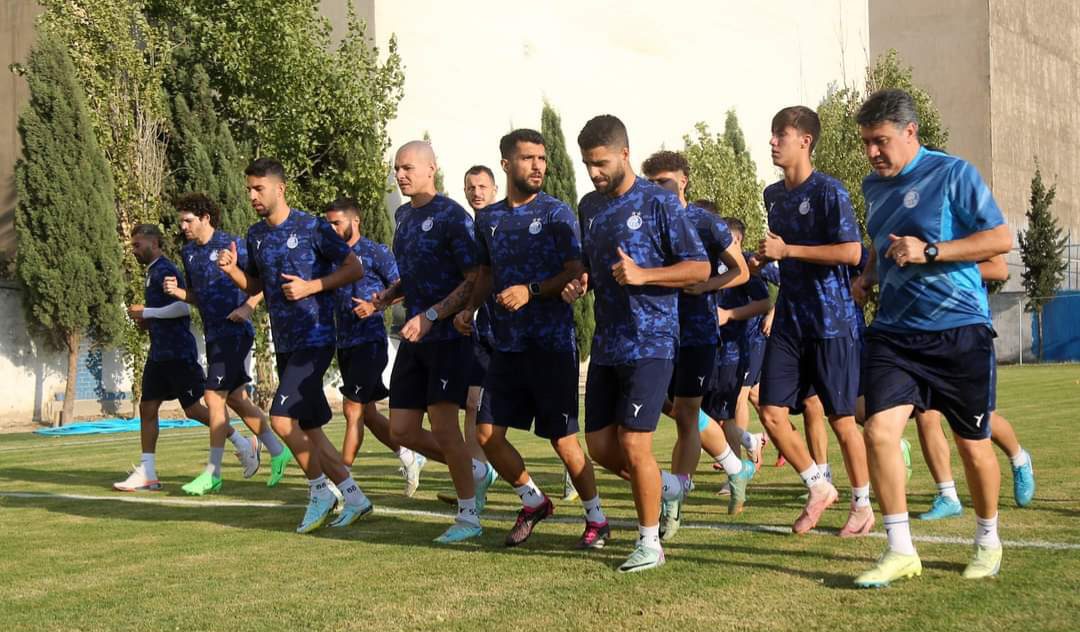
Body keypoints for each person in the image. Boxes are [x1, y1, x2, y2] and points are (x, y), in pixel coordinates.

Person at [852, 89, 1012, 586]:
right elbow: (884, 246)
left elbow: (1001, 240)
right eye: (866, 144)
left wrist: (932, 251)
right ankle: (900, 550)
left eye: (881, 141)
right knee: (878, 431)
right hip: (895, 334)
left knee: (973, 447)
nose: (873, 153)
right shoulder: (872, 187)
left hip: (958, 331)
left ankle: (988, 538)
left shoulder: (953, 173)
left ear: (910, 132)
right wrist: (868, 277)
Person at [562, 115, 710, 572]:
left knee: (634, 443)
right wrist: (579, 282)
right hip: (608, 343)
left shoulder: (660, 203)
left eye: (601, 163)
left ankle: (649, 544)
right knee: (602, 446)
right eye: (587, 164)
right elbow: (589, 265)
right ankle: (667, 485)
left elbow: (699, 269)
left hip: (653, 339)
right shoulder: (590, 206)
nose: (594, 173)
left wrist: (646, 275)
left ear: (624, 154)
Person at [457, 128, 607, 548]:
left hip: (551, 345)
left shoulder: (557, 213)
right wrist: (470, 307)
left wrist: (531, 291)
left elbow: (574, 269)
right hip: (506, 347)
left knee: (563, 441)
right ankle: (533, 500)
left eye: (542, 157)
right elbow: (486, 272)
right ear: (506, 164)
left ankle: (597, 517)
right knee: (487, 435)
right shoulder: (488, 219)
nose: (538, 165)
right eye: (528, 158)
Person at [218, 157, 372, 533]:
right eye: (249, 189)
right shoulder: (255, 235)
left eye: (259, 188)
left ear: (279, 188)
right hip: (285, 342)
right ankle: (355, 497)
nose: (253, 195)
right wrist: (232, 271)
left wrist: (311, 286)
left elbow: (354, 269)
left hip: (316, 337)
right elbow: (256, 287)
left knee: (282, 419)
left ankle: (319, 490)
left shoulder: (312, 227)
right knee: (313, 428)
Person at [756, 106, 873, 538]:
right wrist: (764, 258)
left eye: (780, 134)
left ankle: (862, 505)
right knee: (770, 412)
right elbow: (784, 253)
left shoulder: (829, 191)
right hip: (790, 320)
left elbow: (851, 253)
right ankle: (819, 486)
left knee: (842, 420)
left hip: (831, 320)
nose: (772, 142)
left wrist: (790, 251)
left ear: (804, 140)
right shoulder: (772, 195)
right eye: (771, 134)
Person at [374, 140, 490, 544]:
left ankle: (469, 516)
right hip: (414, 336)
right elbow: (418, 270)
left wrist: (433, 315)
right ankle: (474, 469)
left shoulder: (452, 216)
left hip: (445, 337)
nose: (400, 175)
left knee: (444, 430)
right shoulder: (404, 215)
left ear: (431, 169)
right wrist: (390, 294)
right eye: (396, 169)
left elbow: (473, 275)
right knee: (402, 431)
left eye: (407, 168)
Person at [641, 150, 752, 538]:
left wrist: (707, 284)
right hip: (655, 333)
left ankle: (674, 503)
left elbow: (740, 272)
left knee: (687, 415)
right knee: (670, 410)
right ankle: (735, 466)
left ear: (683, 180)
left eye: (664, 181)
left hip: (697, 334)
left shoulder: (705, 222)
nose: (657, 189)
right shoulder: (645, 223)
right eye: (651, 182)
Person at [164, 193, 293, 495]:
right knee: (236, 398)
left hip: (235, 333)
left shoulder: (232, 244)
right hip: (214, 335)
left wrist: (249, 306)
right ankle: (277, 451)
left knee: (213, 396)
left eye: (188, 220)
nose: (183, 225)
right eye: (181, 220)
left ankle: (214, 472)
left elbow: (262, 283)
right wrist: (180, 294)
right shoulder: (189, 254)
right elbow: (199, 298)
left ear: (206, 218)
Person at [113, 224, 257, 492]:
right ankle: (148, 472)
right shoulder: (152, 272)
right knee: (147, 408)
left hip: (179, 352)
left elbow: (182, 307)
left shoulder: (166, 269)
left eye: (137, 244)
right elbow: (161, 311)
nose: (133, 250)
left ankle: (242, 442)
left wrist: (148, 313)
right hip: (159, 352)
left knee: (194, 409)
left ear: (154, 243)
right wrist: (146, 320)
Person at [323, 197, 427, 497]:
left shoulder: (374, 252)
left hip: (369, 341)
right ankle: (409, 455)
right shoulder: (330, 256)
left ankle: (340, 483)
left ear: (354, 221)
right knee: (367, 414)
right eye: (327, 223)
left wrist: (375, 305)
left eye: (336, 223)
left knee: (351, 409)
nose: (330, 229)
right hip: (344, 342)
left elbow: (400, 287)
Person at [435, 166, 499, 506]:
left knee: (536, 413)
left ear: (494, 188)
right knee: (472, 406)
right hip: (473, 334)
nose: (476, 191)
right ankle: (477, 477)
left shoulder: (502, 225)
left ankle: (570, 470)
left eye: (482, 186)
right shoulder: (465, 230)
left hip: (507, 334)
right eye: (470, 186)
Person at [698, 215, 771, 513]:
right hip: (710, 351)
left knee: (732, 406)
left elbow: (765, 302)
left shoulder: (747, 268)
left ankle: (734, 470)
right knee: (708, 416)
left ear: (737, 240)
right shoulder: (711, 266)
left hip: (737, 349)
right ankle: (746, 442)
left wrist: (730, 315)